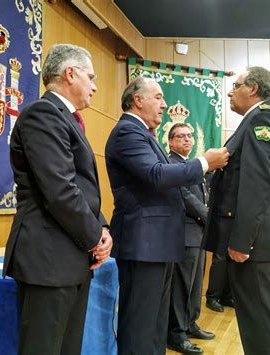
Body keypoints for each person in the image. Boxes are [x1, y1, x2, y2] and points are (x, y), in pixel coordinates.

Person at [105, 77, 229, 354]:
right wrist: (205, 162)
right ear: (138, 100)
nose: (164, 104)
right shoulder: (128, 132)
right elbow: (157, 175)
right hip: (143, 245)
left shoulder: (145, 134)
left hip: (156, 244)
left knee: (156, 326)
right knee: (139, 326)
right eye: (159, 97)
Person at [2, 44, 113, 354]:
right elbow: (60, 191)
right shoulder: (43, 113)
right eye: (90, 77)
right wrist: (95, 237)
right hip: (48, 259)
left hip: (69, 256)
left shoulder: (64, 117)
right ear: (70, 73)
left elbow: (82, 186)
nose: (94, 85)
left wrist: (102, 229)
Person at [203, 66, 270, 355]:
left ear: (253, 88)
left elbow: (257, 186)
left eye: (237, 85)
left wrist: (243, 241)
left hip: (254, 245)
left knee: (262, 328)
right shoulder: (260, 119)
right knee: (258, 325)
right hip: (258, 241)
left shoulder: (263, 119)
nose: (230, 92)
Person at [166, 123, 215, 354]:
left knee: (195, 286)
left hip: (199, 235)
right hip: (184, 234)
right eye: (181, 137)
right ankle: (176, 333)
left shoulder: (191, 165)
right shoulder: (171, 164)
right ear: (171, 141)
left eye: (190, 136)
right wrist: (210, 218)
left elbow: (204, 196)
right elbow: (185, 197)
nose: (187, 140)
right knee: (182, 287)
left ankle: (190, 323)